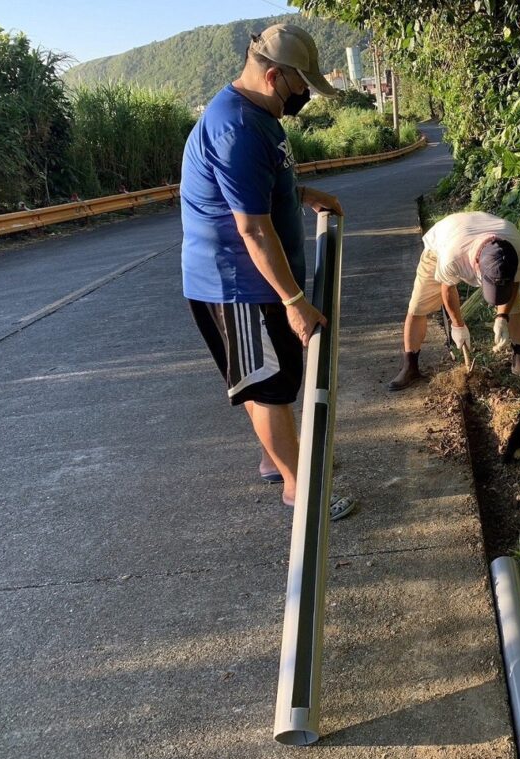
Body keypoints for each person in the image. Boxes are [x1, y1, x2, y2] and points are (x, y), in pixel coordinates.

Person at [180, 24, 342, 508]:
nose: (305, 98)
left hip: (254, 280)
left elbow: (259, 188)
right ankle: (301, 490)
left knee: (268, 380)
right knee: (269, 388)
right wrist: (295, 302)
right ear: (273, 76)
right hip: (237, 284)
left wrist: (303, 194)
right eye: (301, 88)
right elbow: (251, 228)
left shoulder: (258, 113)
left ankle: (277, 461)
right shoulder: (239, 128)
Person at [388, 211, 520, 391]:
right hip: (444, 241)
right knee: (417, 306)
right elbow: (447, 289)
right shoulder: (451, 257)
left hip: (474, 234)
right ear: (477, 266)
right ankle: (410, 367)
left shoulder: (518, 250)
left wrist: (502, 316)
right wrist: (458, 326)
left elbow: (514, 282)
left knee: (513, 303)